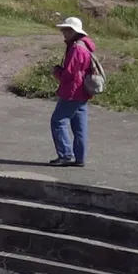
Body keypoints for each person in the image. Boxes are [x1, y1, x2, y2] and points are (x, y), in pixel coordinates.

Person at [49, 16, 96, 167]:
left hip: (72, 90)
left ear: (73, 31)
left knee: (58, 121)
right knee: (79, 125)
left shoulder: (76, 48)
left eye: (66, 30)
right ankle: (79, 157)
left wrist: (57, 72)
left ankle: (65, 155)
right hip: (82, 90)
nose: (63, 33)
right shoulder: (85, 45)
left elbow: (69, 74)